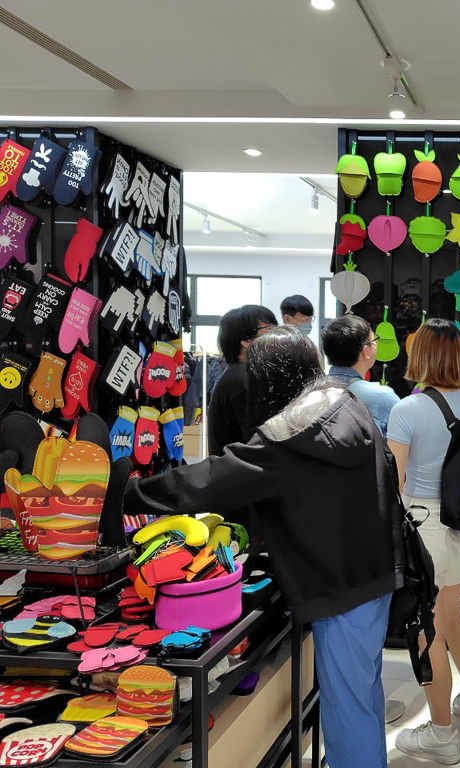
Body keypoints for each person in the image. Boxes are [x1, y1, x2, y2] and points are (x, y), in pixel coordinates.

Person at [124, 326, 402, 768]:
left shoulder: (289, 436)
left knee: (347, 712)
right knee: (361, 699)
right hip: (375, 573)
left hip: (338, 586)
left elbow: (210, 481)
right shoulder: (343, 403)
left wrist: (129, 493)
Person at [388, 319, 460, 765]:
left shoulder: (407, 409)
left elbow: (394, 484)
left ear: (421, 355)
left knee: (427, 632)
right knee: (451, 616)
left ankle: (443, 735)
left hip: (423, 527)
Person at [207, 305, 277, 457]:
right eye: (268, 328)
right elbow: (258, 441)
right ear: (246, 340)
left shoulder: (240, 372)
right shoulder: (243, 380)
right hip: (238, 469)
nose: (276, 335)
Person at [322, 315, 400, 436]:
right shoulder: (381, 397)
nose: (376, 344)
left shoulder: (311, 392)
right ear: (366, 351)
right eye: (375, 340)